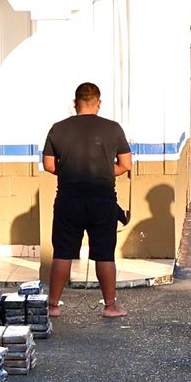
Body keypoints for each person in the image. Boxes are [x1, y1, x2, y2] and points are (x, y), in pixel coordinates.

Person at [41, 81, 133, 319]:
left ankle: (53, 306)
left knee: (62, 252)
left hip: (68, 199)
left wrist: (72, 170)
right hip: (102, 200)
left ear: (75, 103)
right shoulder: (113, 129)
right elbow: (125, 165)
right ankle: (110, 306)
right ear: (98, 103)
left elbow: (49, 165)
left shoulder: (58, 129)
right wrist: (102, 169)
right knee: (104, 253)